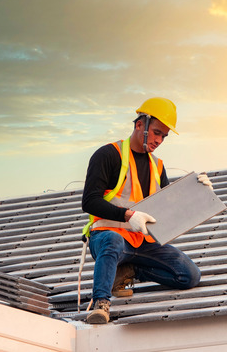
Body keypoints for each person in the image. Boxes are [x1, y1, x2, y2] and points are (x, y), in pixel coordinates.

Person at [80, 97, 203, 324]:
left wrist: (197, 191)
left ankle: (129, 270)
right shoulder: (108, 155)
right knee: (113, 242)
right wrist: (128, 215)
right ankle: (100, 304)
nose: (159, 140)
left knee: (189, 275)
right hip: (107, 238)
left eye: (163, 136)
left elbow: (169, 208)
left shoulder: (157, 166)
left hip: (141, 243)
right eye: (156, 132)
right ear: (139, 125)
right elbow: (89, 202)